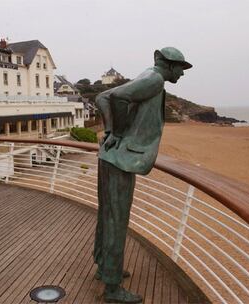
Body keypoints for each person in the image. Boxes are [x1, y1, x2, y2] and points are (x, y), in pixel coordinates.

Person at [93, 47, 192, 303]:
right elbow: (115, 99)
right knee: (116, 220)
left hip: (110, 158)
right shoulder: (154, 79)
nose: (182, 73)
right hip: (121, 160)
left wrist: (111, 130)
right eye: (180, 67)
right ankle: (112, 289)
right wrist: (116, 132)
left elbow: (103, 97)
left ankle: (106, 267)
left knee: (107, 216)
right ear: (169, 65)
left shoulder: (146, 76)